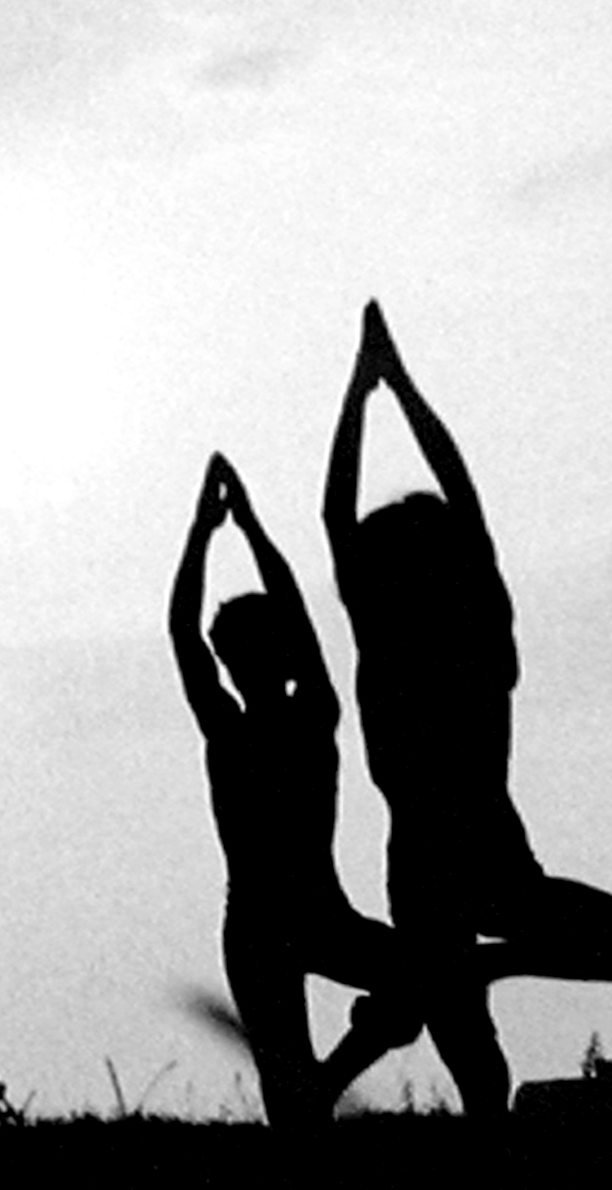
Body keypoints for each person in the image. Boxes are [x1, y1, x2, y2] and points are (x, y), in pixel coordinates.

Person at [322, 300, 612, 1119]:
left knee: (486, 1046)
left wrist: (367, 393)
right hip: (467, 869)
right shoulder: (466, 646)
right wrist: (393, 386)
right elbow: (443, 507)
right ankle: (348, 1078)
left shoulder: (427, 649)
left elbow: (347, 514)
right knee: (480, 1072)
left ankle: (432, 1002)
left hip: (470, 866)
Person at [166, 453, 426, 1125]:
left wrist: (225, 528)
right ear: (236, 659)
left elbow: (206, 629)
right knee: (290, 1101)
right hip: (263, 923)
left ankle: (327, 1079)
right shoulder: (244, 723)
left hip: (312, 914)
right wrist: (227, 527)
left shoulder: (306, 715)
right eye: (242, 650)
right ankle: (316, 1100)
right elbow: (188, 634)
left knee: (419, 980)